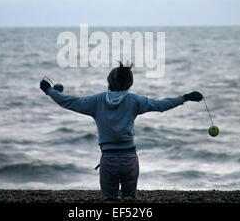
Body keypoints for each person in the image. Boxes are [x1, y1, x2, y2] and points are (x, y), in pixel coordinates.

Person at [40, 62, 203, 200]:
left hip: (108, 159)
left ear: (109, 81)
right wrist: (185, 97)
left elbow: (69, 102)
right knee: (129, 200)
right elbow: (160, 105)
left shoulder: (96, 100)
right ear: (129, 84)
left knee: (109, 200)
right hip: (129, 158)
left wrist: (49, 90)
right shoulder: (134, 101)